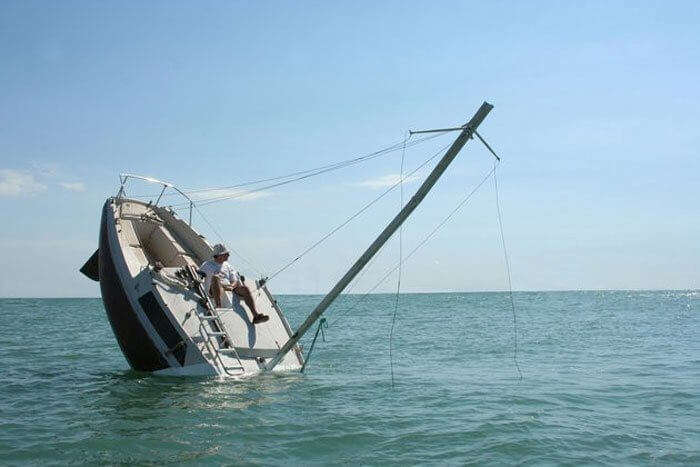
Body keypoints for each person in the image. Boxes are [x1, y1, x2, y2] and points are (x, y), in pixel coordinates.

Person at [199, 244, 269, 324]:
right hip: (213, 288)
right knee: (215, 278)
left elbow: (234, 279)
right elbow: (199, 274)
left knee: (245, 289)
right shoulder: (207, 265)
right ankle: (218, 308)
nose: (228, 255)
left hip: (228, 287)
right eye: (226, 254)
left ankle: (255, 315)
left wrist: (232, 286)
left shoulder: (227, 265)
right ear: (219, 255)